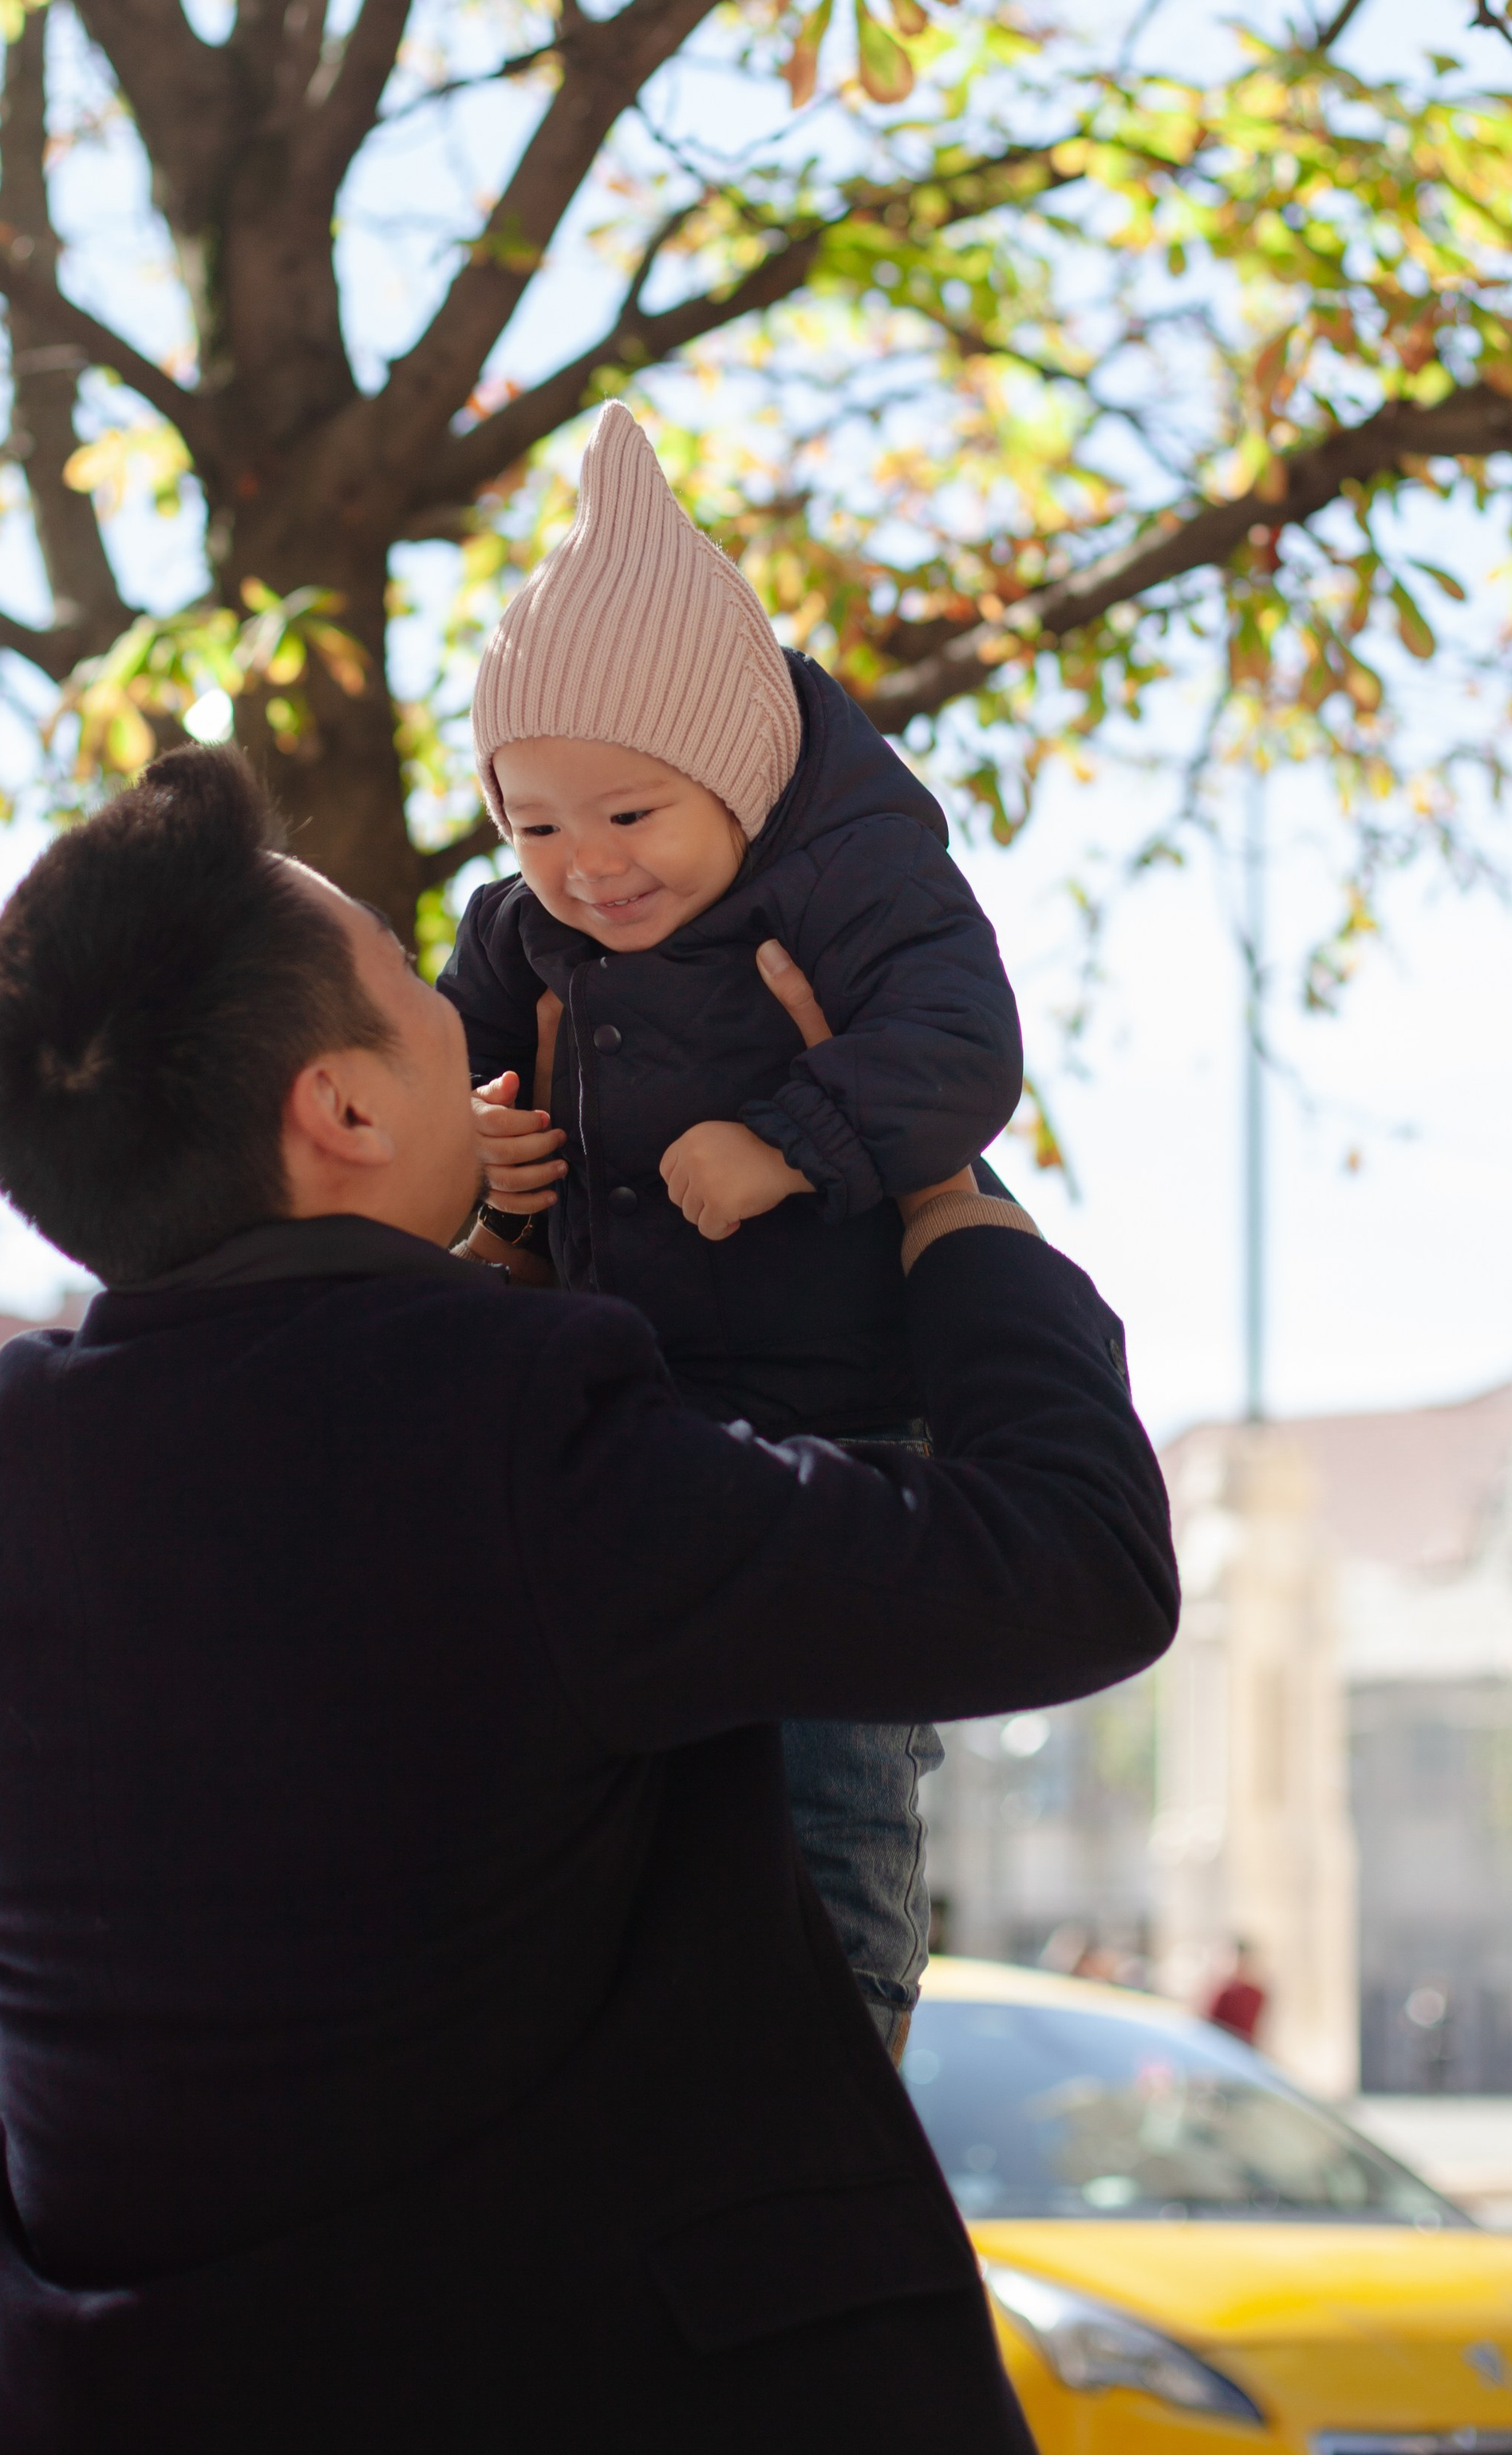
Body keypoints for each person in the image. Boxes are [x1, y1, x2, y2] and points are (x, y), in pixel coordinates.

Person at [0, 744, 1177, 2450]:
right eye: (414, 984)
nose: (465, 999)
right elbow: (1074, 1565)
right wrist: (944, 1192)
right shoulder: (507, 1429)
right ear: (337, 1109)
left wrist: (494, 1254)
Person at [441, 399, 1025, 2054]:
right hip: (628, 1427)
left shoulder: (851, 879)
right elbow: (426, 1086)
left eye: (628, 816)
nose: (584, 869)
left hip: (835, 1428)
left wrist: (787, 1139)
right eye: (531, 823)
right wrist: (480, 1154)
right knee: (621, 1788)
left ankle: (844, 2053)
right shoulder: (518, 938)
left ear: (737, 771)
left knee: (833, 1773)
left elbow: (964, 1044)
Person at [1206, 1939, 1269, 2046]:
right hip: (1219, 2045)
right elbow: (1209, 2024)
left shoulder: (1257, 1995)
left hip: (1242, 2049)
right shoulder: (1223, 1990)